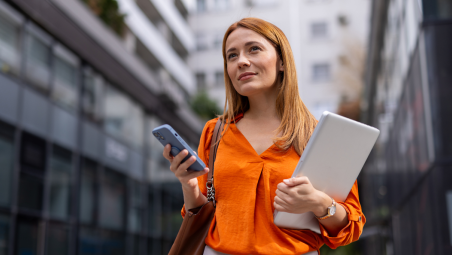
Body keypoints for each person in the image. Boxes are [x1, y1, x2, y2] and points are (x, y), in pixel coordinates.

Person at [163, 17, 365, 255]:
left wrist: (319, 203)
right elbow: (200, 213)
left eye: (254, 49)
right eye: (232, 56)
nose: (242, 61)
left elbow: (350, 227)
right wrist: (188, 185)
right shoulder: (215, 131)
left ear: (281, 61)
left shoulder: (319, 135)